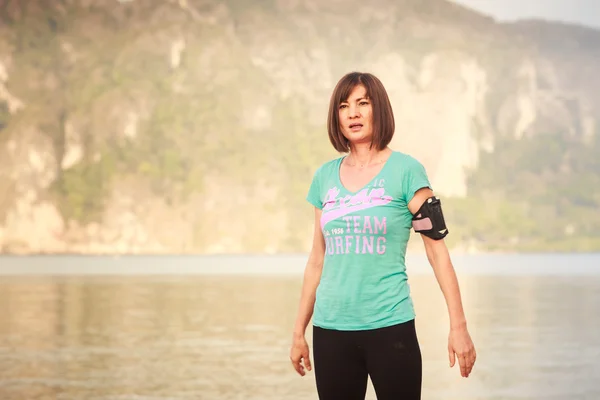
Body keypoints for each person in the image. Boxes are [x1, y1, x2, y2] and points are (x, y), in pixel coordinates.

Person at [289, 71, 476, 400]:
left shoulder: (408, 171)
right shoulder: (324, 178)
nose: (353, 113)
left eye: (363, 103)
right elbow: (317, 260)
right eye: (344, 106)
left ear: (380, 110)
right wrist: (298, 332)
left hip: (391, 329)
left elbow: (437, 253)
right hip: (331, 331)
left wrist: (458, 325)